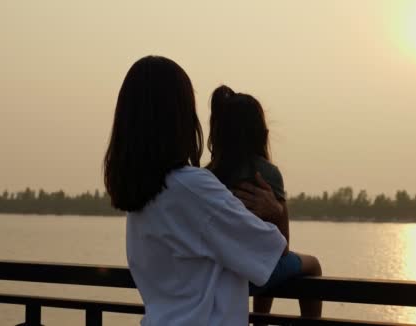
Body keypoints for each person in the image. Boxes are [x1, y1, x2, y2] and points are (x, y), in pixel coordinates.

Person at [104, 56, 288, 326]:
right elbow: (272, 251)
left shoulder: (144, 197)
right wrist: (277, 211)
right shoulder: (194, 188)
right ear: (178, 115)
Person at [206, 85, 322, 323]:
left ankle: (260, 317)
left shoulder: (206, 176)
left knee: (264, 256)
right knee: (313, 265)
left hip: (216, 276)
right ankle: (263, 319)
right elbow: (283, 247)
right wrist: (278, 212)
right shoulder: (267, 174)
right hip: (253, 275)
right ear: (261, 133)